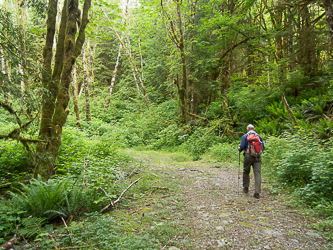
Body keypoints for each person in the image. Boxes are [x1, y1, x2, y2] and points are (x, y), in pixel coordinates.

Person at [238, 124, 265, 199]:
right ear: (254, 129)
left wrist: (239, 149)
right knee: (257, 174)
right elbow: (263, 147)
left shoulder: (245, 136)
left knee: (246, 171)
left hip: (248, 156)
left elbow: (242, 147)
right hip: (257, 157)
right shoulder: (258, 136)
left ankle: (246, 188)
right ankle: (257, 192)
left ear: (247, 129)